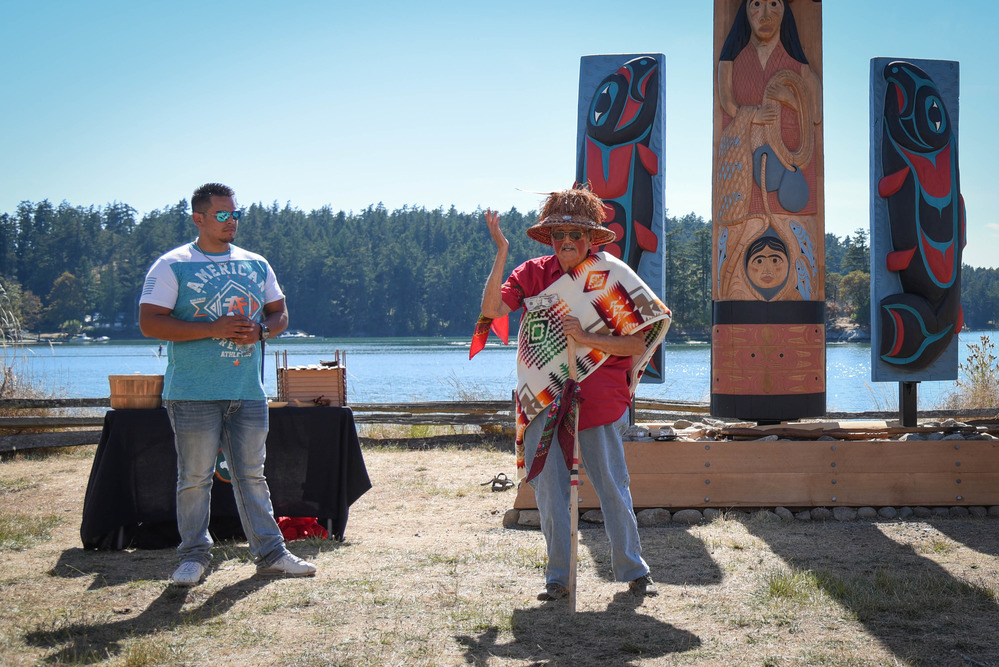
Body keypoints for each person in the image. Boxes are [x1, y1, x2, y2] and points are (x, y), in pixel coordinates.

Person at [478, 187, 670, 601]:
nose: (567, 240)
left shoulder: (610, 277)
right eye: (560, 232)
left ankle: (635, 571)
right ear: (549, 237)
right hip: (542, 398)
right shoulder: (531, 274)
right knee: (548, 490)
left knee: (611, 486)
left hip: (596, 401)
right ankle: (558, 579)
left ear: (591, 239)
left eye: (577, 233)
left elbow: (638, 344)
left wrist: (586, 337)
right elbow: (493, 310)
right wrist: (501, 251)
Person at [138, 182, 316, 587]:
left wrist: (263, 333)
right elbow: (150, 323)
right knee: (195, 477)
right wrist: (211, 328)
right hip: (191, 393)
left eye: (235, 214)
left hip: (247, 390)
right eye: (222, 215)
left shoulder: (256, 263)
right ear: (199, 218)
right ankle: (193, 558)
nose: (231, 221)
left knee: (252, 475)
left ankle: (271, 554)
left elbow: (280, 313)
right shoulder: (172, 264)